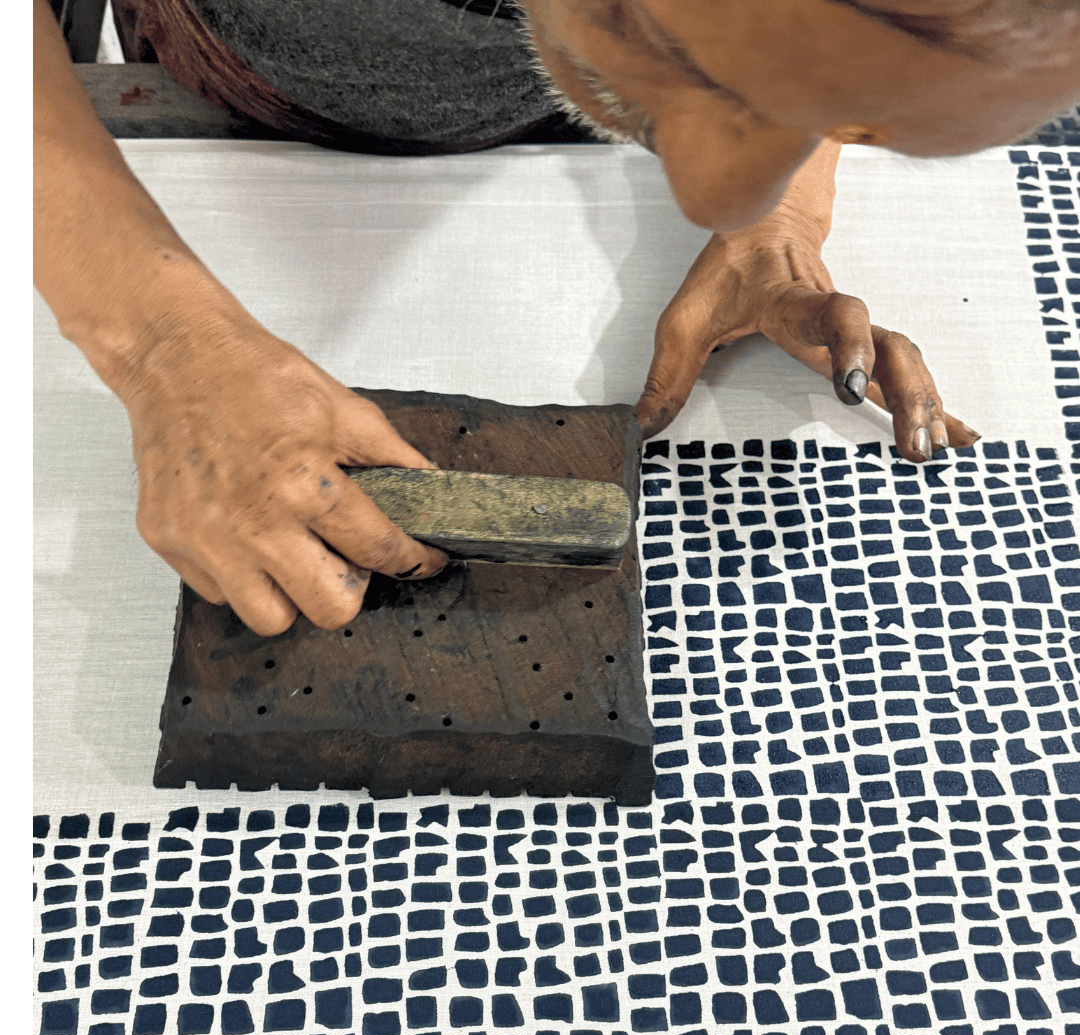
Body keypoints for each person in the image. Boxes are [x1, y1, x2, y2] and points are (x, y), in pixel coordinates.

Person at [35, 0, 1080, 637]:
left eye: (866, 124)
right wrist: (158, 338)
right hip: (259, 99)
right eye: (679, 47)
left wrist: (782, 219)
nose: (711, 196)